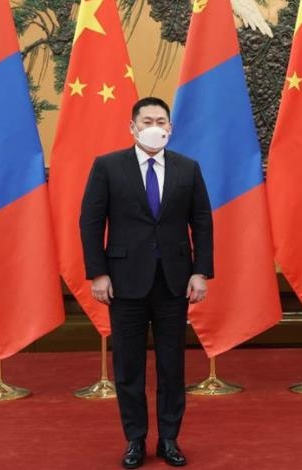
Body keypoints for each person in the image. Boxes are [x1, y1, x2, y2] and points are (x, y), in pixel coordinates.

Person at [80, 96, 213, 468]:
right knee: (128, 366)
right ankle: (135, 439)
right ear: (133, 127)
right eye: (148, 121)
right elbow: (91, 222)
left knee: (172, 365)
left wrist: (200, 271)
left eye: (161, 121)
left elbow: (202, 221)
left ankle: (169, 438)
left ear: (170, 127)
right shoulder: (108, 166)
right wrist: (98, 273)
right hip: (124, 282)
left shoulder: (188, 168)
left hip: (174, 282)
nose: (155, 127)